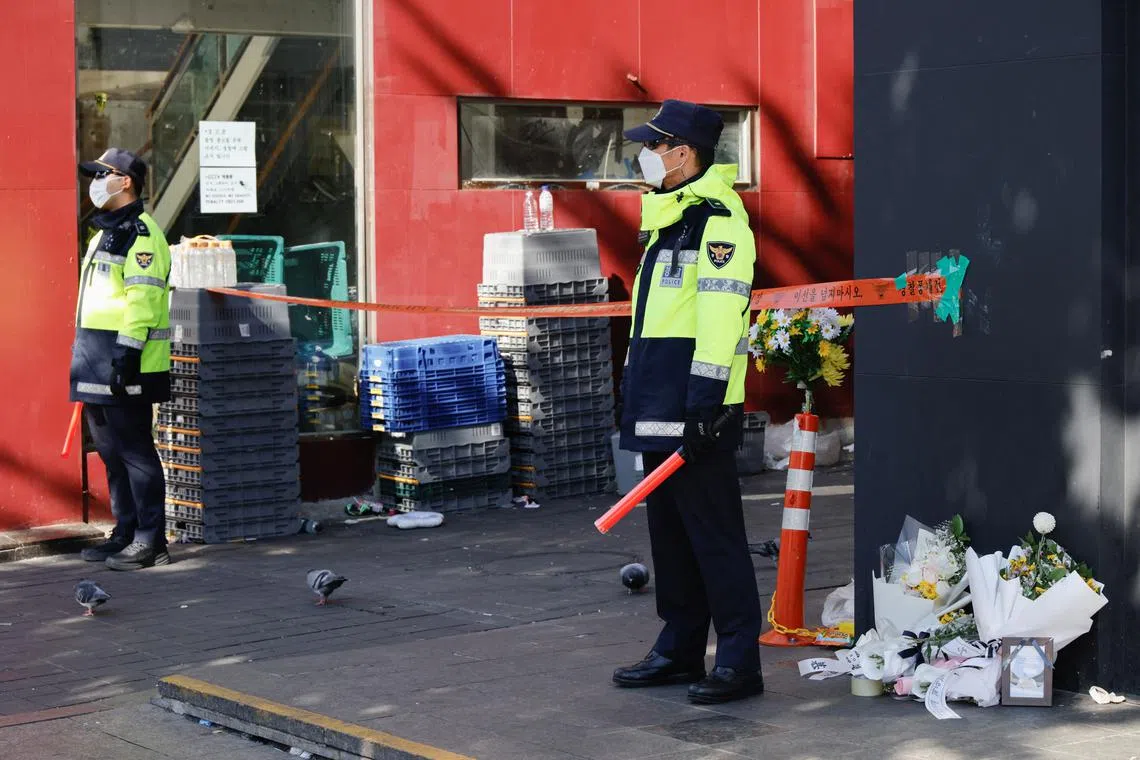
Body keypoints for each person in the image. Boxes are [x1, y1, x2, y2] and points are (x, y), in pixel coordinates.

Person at [612, 100, 764, 704]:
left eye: (655, 144)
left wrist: (704, 407)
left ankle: (737, 661)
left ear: (684, 152)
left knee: (715, 539)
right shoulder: (667, 219)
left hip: (699, 411)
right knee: (670, 538)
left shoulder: (720, 222)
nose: (643, 156)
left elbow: (721, 323)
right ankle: (678, 648)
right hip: (656, 402)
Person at [73, 148, 172, 571]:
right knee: (112, 454)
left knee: (135, 452)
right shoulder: (101, 234)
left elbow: (143, 302)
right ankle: (126, 531)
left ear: (125, 181)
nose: (95, 182)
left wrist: (126, 356)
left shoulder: (143, 234)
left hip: (127, 362)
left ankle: (152, 540)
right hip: (94, 359)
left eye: (103, 174)